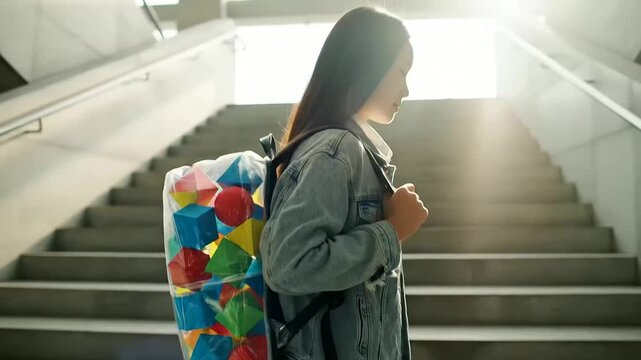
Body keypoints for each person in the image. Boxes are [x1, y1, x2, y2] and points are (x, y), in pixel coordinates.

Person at [259, 6, 429, 359]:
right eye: (401, 72)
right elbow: (289, 264)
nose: (407, 89)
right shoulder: (337, 150)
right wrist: (392, 230)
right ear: (367, 65)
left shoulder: (352, 152)